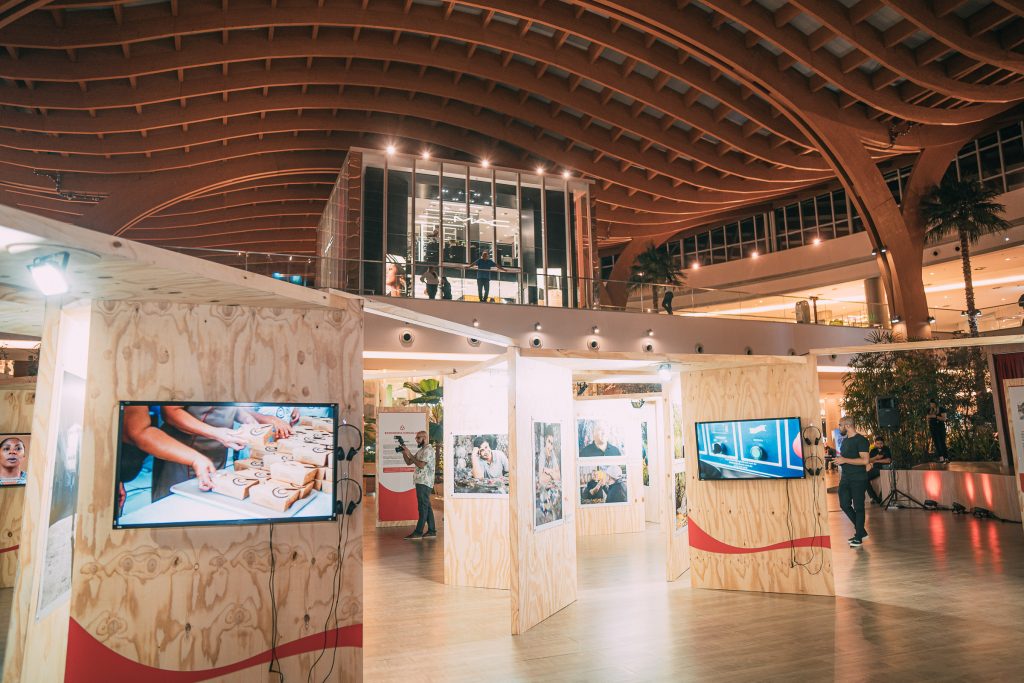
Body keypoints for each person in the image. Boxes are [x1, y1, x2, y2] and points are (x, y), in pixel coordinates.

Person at [154, 405, 291, 501]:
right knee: (179, 506)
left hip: (217, 449)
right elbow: (170, 412)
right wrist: (215, 433)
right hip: (185, 452)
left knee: (209, 502)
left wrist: (246, 419)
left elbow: (227, 407)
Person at [835, 417, 872, 547]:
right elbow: (846, 458)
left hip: (858, 478)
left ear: (847, 425)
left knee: (859, 507)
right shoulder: (845, 442)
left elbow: (865, 461)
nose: (839, 428)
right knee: (844, 504)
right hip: (845, 478)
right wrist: (840, 460)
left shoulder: (861, 440)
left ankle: (859, 536)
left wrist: (844, 460)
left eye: (840, 425)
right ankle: (861, 531)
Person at [401, 430, 436, 540]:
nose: (416, 440)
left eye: (418, 438)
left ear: (424, 438)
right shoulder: (422, 450)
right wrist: (404, 453)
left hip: (424, 482)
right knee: (427, 506)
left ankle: (418, 532)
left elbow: (421, 465)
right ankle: (431, 530)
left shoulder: (429, 450)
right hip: (420, 481)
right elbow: (409, 462)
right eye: (416, 438)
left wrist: (410, 453)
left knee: (423, 507)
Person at [867, 435, 892, 505]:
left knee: (886, 479)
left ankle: (881, 498)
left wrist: (876, 461)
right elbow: (869, 460)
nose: (879, 445)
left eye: (881, 443)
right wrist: (876, 457)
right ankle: (874, 497)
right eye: (877, 443)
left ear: (883, 443)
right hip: (875, 469)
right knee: (864, 478)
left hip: (884, 468)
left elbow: (888, 460)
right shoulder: (873, 450)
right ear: (875, 443)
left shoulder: (886, 449)